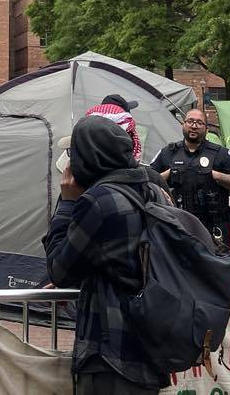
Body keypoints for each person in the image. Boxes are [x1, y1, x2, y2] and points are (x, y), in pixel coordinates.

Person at [44, 116, 169, 393]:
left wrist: (66, 203)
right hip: (152, 342)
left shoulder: (100, 202)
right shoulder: (153, 189)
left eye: (73, 154)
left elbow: (58, 269)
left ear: (89, 157)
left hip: (110, 352)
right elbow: (122, 256)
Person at [150, 108, 230, 247]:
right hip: (177, 226)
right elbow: (147, 181)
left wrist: (214, 175)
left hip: (214, 228)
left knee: (215, 267)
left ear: (206, 129)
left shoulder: (220, 154)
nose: (194, 125)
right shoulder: (167, 153)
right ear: (183, 125)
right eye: (190, 121)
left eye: (199, 123)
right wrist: (170, 173)